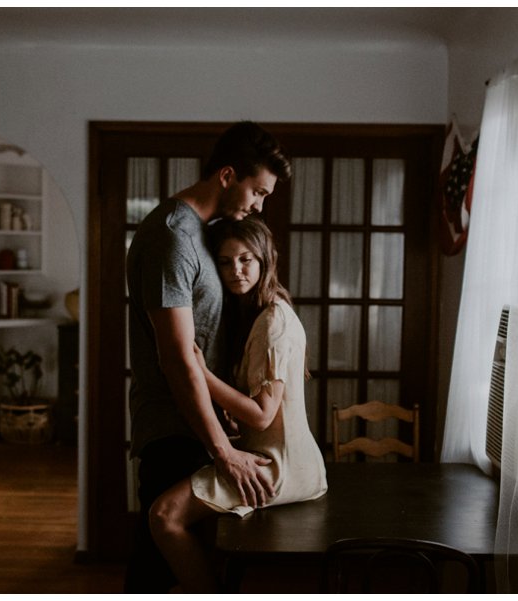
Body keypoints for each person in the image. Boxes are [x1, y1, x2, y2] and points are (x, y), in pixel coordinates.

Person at [124, 121, 292, 593]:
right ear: (227, 176)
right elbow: (178, 357)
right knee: (157, 579)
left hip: (201, 430)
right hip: (175, 434)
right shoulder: (172, 238)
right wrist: (224, 452)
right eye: (257, 192)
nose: (259, 205)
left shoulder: (205, 235)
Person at [148, 216, 328, 592]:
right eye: (226, 262)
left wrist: (200, 373)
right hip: (280, 456)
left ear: (264, 260)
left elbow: (263, 415)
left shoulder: (273, 320)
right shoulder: (260, 314)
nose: (236, 270)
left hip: (280, 465)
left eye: (246, 259)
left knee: (164, 515)